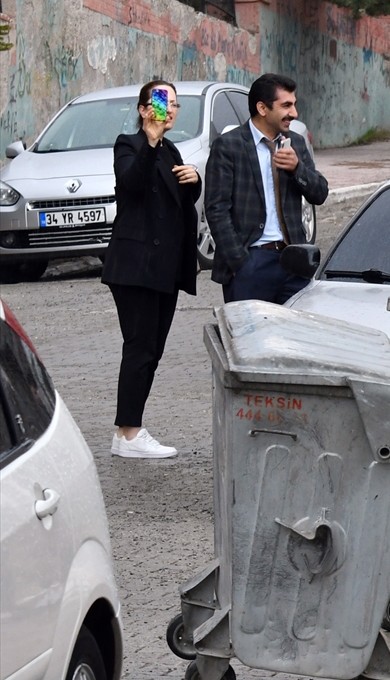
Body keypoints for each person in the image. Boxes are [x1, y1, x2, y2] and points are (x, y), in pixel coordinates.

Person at [105, 80, 200, 459]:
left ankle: (127, 431)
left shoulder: (171, 149)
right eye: (162, 103)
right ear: (145, 110)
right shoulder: (128, 144)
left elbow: (175, 202)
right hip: (135, 266)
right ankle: (129, 434)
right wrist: (150, 139)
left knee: (152, 351)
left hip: (164, 268)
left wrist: (194, 181)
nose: (170, 110)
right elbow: (131, 184)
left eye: (174, 104)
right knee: (140, 348)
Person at [205, 73, 328, 303]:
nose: (294, 113)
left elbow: (320, 193)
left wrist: (297, 169)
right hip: (251, 264)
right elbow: (216, 209)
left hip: (294, 263)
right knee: (249, 328)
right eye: (286, 105)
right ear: (262, 108)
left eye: (294, 105)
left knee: (295, 327)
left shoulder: (295, 143)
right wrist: (239, 262)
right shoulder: (228, 146)